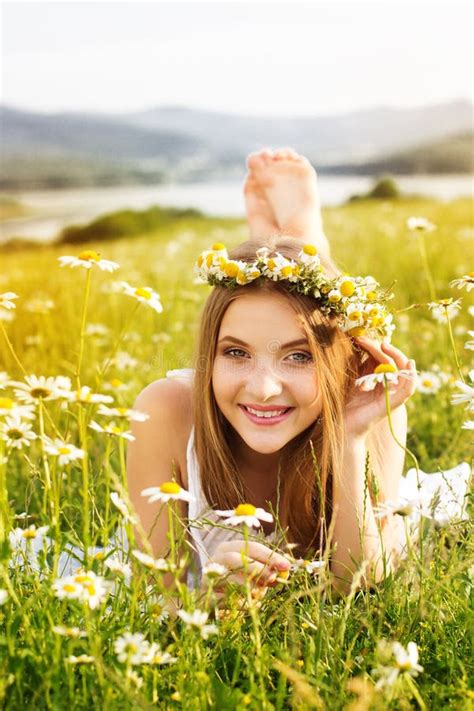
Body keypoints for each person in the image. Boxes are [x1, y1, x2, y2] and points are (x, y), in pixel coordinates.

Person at [126, 148, 418, 595]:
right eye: (236, 353)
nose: (262, 389)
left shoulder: (367, 401)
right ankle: (290, 249)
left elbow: (359, 589)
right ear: (208, 356)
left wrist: (349, 437)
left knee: (300, 310)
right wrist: (211, 598)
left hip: (343, 396)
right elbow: (154, 598)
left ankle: (301, 244)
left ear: (340, 367)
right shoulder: (165, 409)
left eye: (299, 356)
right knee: (281, 307)